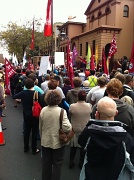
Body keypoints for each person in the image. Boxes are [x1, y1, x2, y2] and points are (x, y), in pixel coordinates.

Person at [78, 96, 134, 180]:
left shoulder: (88, 133)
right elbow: (131, 165)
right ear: (116, 113)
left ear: (97, 114)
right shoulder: (126, 138)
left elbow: (81, 141)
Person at [39, 89, 72, 180]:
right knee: (57, 163)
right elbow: (67, 127)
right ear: (58, 99)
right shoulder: (61, 111)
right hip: (58, 141)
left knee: (46, 164)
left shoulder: (43, 110)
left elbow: (40, 126)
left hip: (45, 140)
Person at [13, 78, 42, 155]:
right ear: (34, 84)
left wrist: (21, 100)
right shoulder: (37, 93)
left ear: (25, 85)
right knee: (35, 132)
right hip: (35, 115)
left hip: (26, 114)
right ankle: (34, 149)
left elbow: (14, 96)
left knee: (27, 131)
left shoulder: (23, 93)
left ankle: (26, 147)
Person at [69, 90, 92, 169]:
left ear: (78, 97)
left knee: (73, 147)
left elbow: (70, 114)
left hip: (75, 128)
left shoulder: (72, 106)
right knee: (83, 147)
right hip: (84, 128)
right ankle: (81, 163)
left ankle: (71, 162)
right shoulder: (89, 106)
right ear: (85, 97)